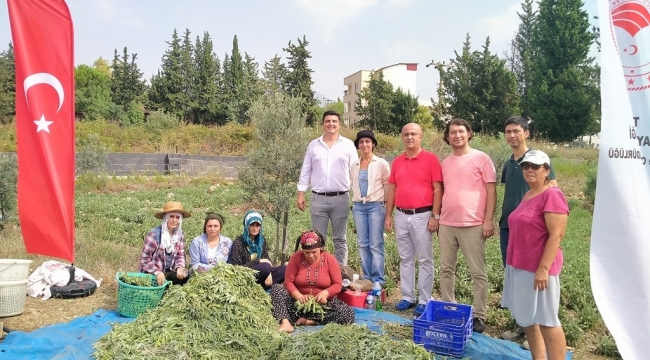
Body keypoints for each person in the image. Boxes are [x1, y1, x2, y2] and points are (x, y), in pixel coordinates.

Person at [501, 150, 569, 360]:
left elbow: (556, 235)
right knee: (527, 319)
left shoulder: (552, 195)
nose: (529, 170)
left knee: (547, 320)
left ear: (546, 170)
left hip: (538, 269)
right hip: (520, 265)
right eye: (526, 166)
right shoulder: (530, 193)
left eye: (535, 167)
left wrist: (543, 269)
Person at [499, 116, 558, 343]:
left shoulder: (537, 161)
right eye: (508, 131)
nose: (512, 135)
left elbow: (553, 193)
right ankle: (522, 325)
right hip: (509, 227)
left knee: (535, 278)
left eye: (516, 131)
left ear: (527, 133)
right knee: (516, 278)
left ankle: (539, 327)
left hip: (532, 232)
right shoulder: (509, 163)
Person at [438, 118, 496, 333]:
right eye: (452, 132)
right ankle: (448, 307)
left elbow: (491, 191)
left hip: (472, 223)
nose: (457, 135)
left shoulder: (481, 158)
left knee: (477, 272)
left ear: (469, 134)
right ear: (447, 136)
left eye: (461, 131)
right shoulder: (445, 162)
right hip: (447, 223)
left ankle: (480, 314)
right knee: (446, 269)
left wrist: (488, 220)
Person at [385, 123, 443, 316]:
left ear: (421, 136)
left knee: (425, 258)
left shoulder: (431, 159)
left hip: (423, 215)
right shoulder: (397, 161)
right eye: (406, 134)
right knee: (405, 258)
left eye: (413, 134)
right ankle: (407, 296)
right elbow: (392, 188)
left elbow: (437, 189)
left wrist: (435, 216)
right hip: (401, 214)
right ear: (402, 137)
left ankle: (425, 298)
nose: (409, 137)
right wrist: (389, 215)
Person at [297, 110, 358, 266]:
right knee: (317, 239)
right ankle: (320, 272)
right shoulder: (313, 145)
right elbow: (306, 170)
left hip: (341, 198)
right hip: (318, 198)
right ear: (323, 124)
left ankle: (341, 273)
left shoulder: (348, 145)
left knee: (340, 238)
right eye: (328, 121)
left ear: (339, 125)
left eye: (334, 121)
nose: (331, 124)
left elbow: (355, 171)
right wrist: (301, 194)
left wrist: (358, 195)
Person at [271, 229, 355, 333]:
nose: (310, 256)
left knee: (347, 314)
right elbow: (288, 282)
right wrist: (300, 297)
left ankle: (311, 320)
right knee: (277, 289)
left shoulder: (330, 260)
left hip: (322, 306)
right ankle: (285, 322)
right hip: (298, 304)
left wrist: (326, 293)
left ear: (321, 249)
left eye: (314, 252)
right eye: (307, 253)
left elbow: (337, 284)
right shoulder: (296, 258)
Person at [350, 129, 390, 285]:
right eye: (361, 142)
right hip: (359, 206)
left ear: (373, 144)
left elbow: (388, 186)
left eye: (368, 141)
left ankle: (378, 279)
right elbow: (354, 184)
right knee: (362, 243)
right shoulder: (354, 165)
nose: (364, 144)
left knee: (376, 243)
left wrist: (386, 208)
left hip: (375, 206)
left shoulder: (381, 163)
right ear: (358, 145)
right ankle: (367, 277)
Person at [227, 210, 286, 288]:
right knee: (265, 266)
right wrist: (259, 261)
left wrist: (269, 273)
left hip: (262, 272)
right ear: (247, 225)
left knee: (285, 269)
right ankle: (263, 286)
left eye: (257, 225)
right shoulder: (239, 242)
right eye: (252, 225)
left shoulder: (262, 240)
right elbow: (236, 267)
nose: (255, 228)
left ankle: (263, 285)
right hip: (244, 275)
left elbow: (266, 258)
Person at [140, 201, 191, 286]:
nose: (174, 220)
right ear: (165, 218)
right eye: (171, 216)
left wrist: (179, 267)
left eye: (177, 217)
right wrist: (157, 272)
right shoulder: (154, 235)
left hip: (168, 272)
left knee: (186, 275)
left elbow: (180, 255)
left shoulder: (180, 235)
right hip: (152, 274)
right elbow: (144, 259)